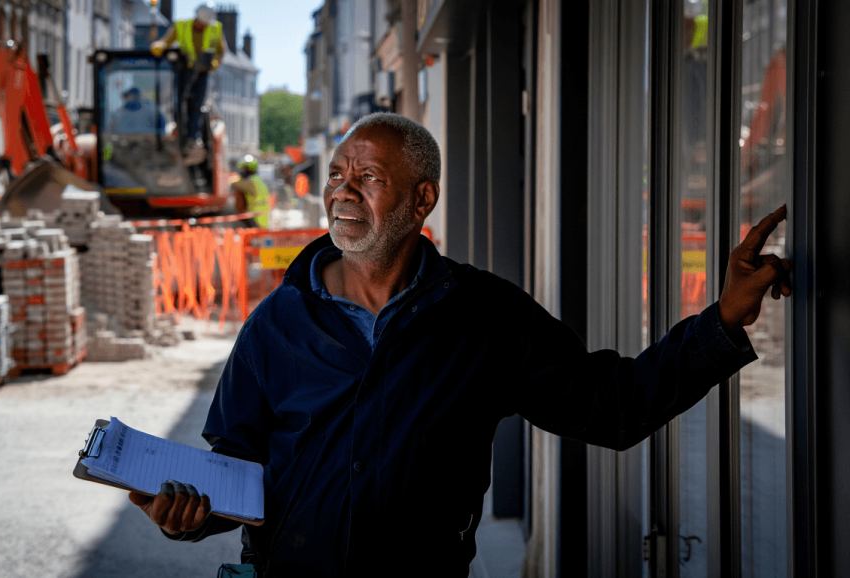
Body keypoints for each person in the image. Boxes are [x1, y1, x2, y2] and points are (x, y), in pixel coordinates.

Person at [128, 113, 792, 576]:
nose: (342, 192)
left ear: (423, 201)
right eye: (336, 175)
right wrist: (188, 514)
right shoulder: (275, 323)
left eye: (370, 178)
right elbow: (239, 469)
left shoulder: (486, 318)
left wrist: (724, 321)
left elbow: (612, 407)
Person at [149, 3, 227, 151]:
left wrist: (215, 63)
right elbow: (167, 40)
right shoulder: (181, 26)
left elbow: (221, 50)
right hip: (184, 69)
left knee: (197, 105)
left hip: (203, 71)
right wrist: (159, 46)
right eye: (201, 23)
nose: (202, 26)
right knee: (180, 102)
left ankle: (192, 137)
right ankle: (181, 133)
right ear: (196, 17)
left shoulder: (215, 28)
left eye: (205, 24)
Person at [231, 155, 270, 228]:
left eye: (243, 169)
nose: (241, 171)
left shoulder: (251, 182)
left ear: (247, 169)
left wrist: (234, 177)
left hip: (256, 218)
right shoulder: (257, 180)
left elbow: (234, 183)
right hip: (262, 218)